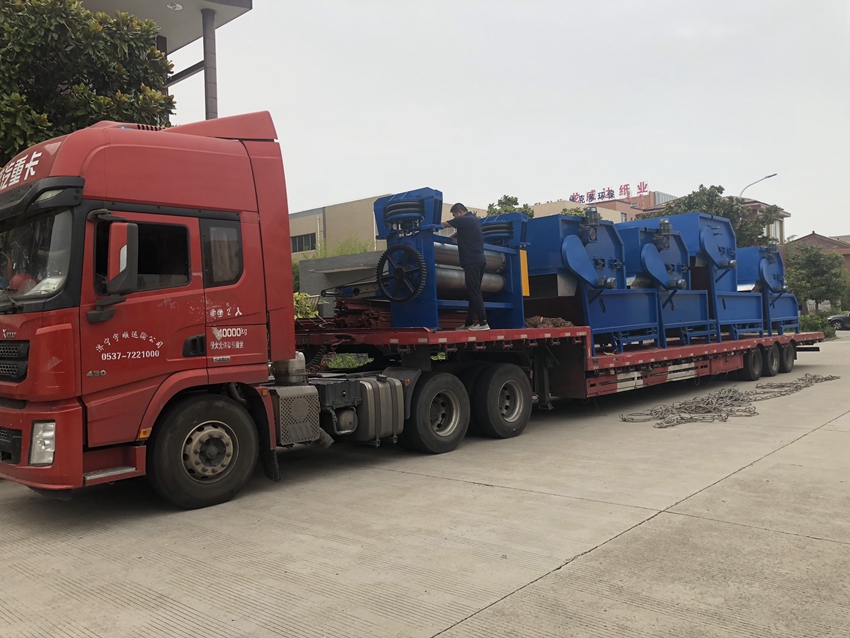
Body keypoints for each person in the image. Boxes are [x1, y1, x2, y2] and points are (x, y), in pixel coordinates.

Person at [442, 203, 489, 330]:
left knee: (474, 292)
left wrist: (429, 225)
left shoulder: (464, 219)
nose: (455, 217)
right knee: (474, 292)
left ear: (460, 212)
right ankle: (469, 323)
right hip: (479, 261)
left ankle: (483, 322)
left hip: (472, 262)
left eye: (454, 215)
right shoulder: (473, 220)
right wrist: (447, 238)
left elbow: (445, 224)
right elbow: (458, 232)